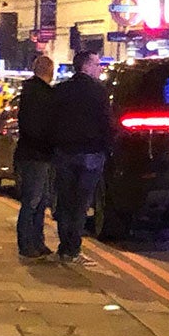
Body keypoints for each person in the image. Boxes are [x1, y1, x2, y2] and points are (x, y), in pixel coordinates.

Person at [48, 48, 113, 263]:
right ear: (85, 65)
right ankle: (73, 248)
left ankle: (64, 245)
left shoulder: (61, 90)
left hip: (64, 153)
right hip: (91, 154)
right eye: (96, 64)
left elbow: (52, 121)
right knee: (81, 203)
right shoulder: (98, 92)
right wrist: (107, 147)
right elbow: (107, 123)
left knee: (65, 201)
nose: (99, 68)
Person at [12, 54, 56, 260]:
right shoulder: (41, 94)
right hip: (36, 155)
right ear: (50, 70)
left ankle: (36, 242)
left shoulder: (31, 91)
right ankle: (27, 243)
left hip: (34, 154)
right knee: (33, 200)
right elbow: (38, 126)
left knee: (39, 200)